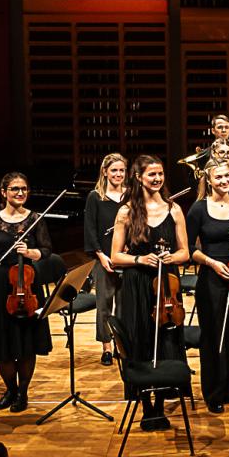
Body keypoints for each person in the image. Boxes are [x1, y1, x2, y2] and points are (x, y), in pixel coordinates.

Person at [111, 155, 191, 429]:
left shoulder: (174, 209)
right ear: (138, 177)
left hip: (167, 284)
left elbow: (186, 252)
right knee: (141, 338)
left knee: (167, 340)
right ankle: (145, 404)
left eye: (160, 174)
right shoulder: (126, 212)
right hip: (136, 283)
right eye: (151, 174)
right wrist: (139, 260)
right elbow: (115, 257)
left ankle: (161, 404)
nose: (157, 179)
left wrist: (173, 258)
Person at [0, 175, 55, 413]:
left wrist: (31, 252)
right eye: (14, 189)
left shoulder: (35, 219)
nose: (20, 193)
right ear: (3, 192)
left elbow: (47, 251)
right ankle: (10, 388)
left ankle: (23, 392)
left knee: (28, 342)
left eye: (24, 189)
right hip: (1, 287)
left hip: (28, 286)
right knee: (2, 342)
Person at [187, 162, 229, 413]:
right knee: (214, 335)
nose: (224, 180)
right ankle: (213, 391)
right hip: (212, 279)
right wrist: (212, 263)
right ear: (209, 180)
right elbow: (189, 250)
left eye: (227, 176)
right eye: (219, 177)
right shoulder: (198, 209)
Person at [83, 154, 128, 365]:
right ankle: (107, 347)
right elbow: (90, 230)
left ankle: (122, 345)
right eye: (114, 171)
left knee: (124, 305)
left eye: (121, 170)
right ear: (105, 172)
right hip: (104, 259)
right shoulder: (96, 196)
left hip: (126, 259)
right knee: (104, 304)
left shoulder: (129, 195)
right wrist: (101, 256)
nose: (118, 174)